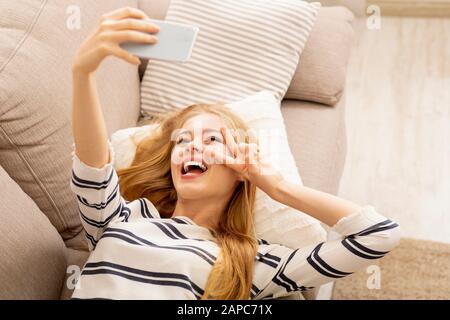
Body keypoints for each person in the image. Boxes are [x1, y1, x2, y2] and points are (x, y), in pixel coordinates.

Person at [70, 7, 400, 300]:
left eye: (212, 139)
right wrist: (83, 73)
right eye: (182, 140)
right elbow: (94, 167)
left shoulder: (250, 263)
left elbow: (378, 235)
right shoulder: (120, 218)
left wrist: (276, 187)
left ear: (240, 169)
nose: (192, 146)